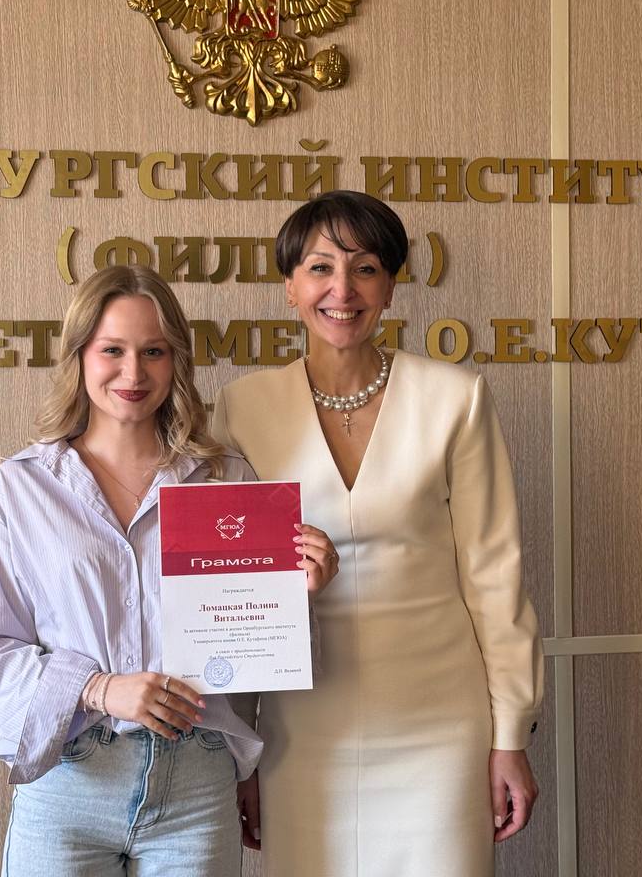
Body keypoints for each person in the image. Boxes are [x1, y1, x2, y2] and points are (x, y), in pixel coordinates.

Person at [0, 265, 337, 877]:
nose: (133, 374)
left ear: (176, 360)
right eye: (112, 350)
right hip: (69, 783)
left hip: (198, 785)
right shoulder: (19, 489)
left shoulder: (227, 481)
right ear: (80, 355)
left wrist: (299, 596)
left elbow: (266, 661)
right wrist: (101, 688)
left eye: (153, 352)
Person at [212, 191, 544, 876]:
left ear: (390, 287)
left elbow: (495, 575)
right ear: (290, 287)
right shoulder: (242, 408)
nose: (342, 289)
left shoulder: (454, 398)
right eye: (320, 268)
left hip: (438, 721)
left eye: (365, 269)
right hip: (302, 724)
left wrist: (510, 733)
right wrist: (240, 752)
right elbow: (228, 595)